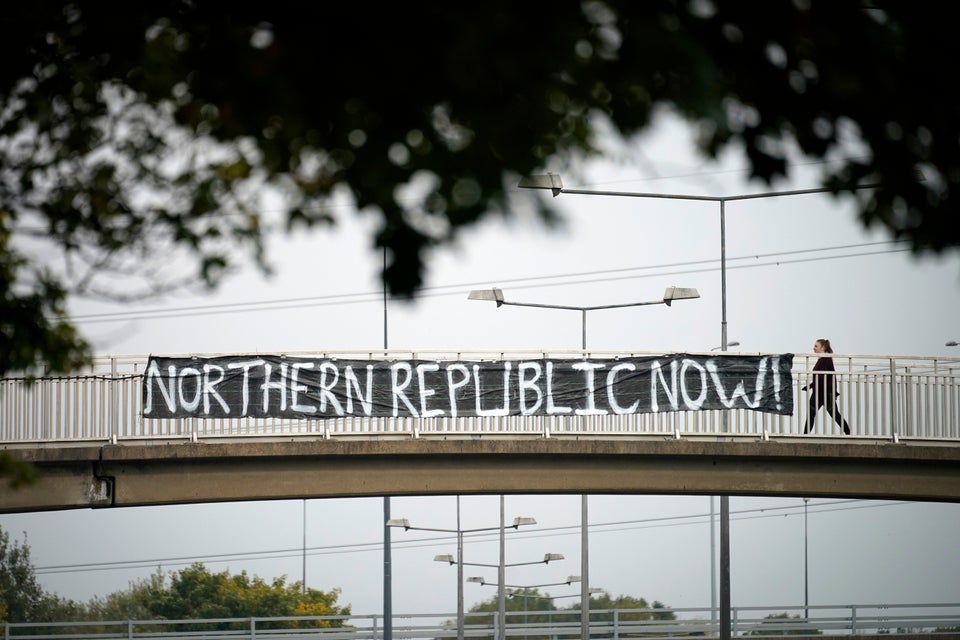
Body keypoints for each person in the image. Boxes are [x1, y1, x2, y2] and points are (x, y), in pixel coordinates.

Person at [802, 338, 851, 435]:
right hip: (820, 392)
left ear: (823, 348)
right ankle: (804, 435)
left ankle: (848, 433)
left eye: (816, 346)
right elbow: (821, 377)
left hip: (824, 393)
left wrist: (810, 386)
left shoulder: (826, 359)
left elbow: (821, 377)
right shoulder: (823, 359)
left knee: (834, 415)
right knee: (812, 414)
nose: (814, 348)